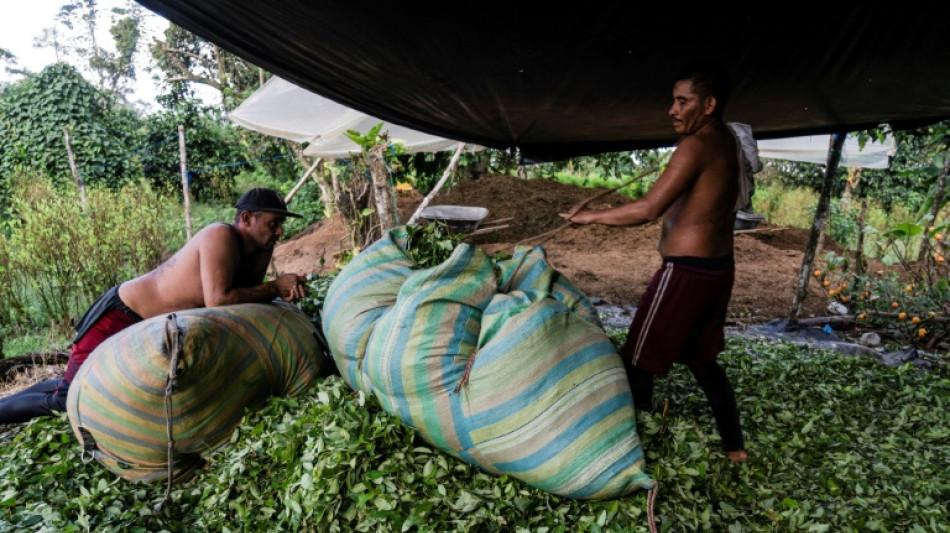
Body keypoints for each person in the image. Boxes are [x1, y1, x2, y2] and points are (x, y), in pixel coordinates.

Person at [559, 60, 749, 462]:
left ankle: (628, 454)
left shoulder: (696, 145)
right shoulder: (724, 141)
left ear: (709, 104)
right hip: (717, 270)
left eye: (683, 101)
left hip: (686, 271)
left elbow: (648, 209)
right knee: (702, 360)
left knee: (636, 361)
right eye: (673, 101)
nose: (672, 110)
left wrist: (587, 217)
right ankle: (736, 450)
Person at [0, 187, 309, 425]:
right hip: (120, 313)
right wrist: (274, 287)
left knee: (73, 383)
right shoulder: (220, 235)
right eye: (273, 223)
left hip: (146, 323)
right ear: (246, 218)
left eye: (280, 224)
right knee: (69, 399)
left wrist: (277, 283)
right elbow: (219, 300)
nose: (280, 232)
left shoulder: (258, 247)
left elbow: (248, 295)